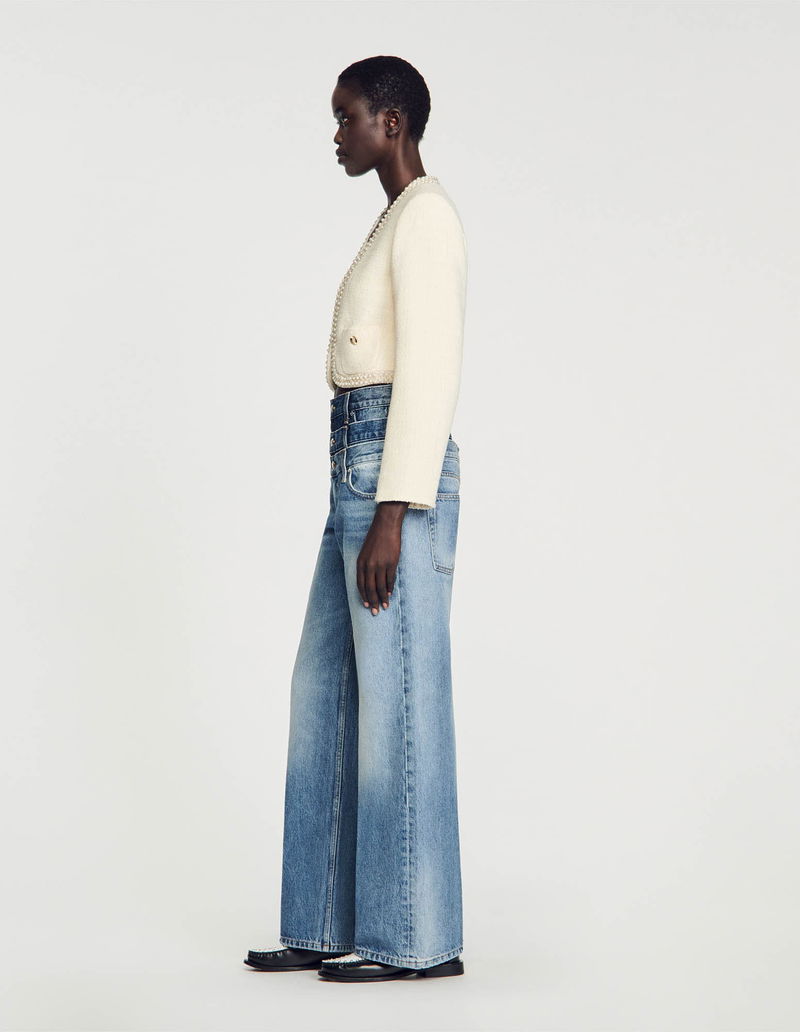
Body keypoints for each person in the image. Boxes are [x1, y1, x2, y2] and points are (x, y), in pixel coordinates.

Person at [243, 55, 468, 983]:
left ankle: (413, 936)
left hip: (389, 477)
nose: (336, 134)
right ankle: (321, 917)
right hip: (355, 468)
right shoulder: (394, 216)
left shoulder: (428, 216)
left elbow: (432, 371)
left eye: (346, 118)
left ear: (391, 122)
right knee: (324, 690)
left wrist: (393, 510)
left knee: (399, 698)